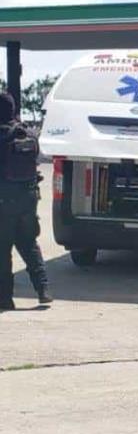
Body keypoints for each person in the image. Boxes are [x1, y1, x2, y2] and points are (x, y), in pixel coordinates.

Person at [0, 92, 51, 311]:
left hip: (4, 200)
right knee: (29, 243)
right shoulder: (28, 134)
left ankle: (5, 298)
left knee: (3, 250)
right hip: (29, 198)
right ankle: (43, 290)